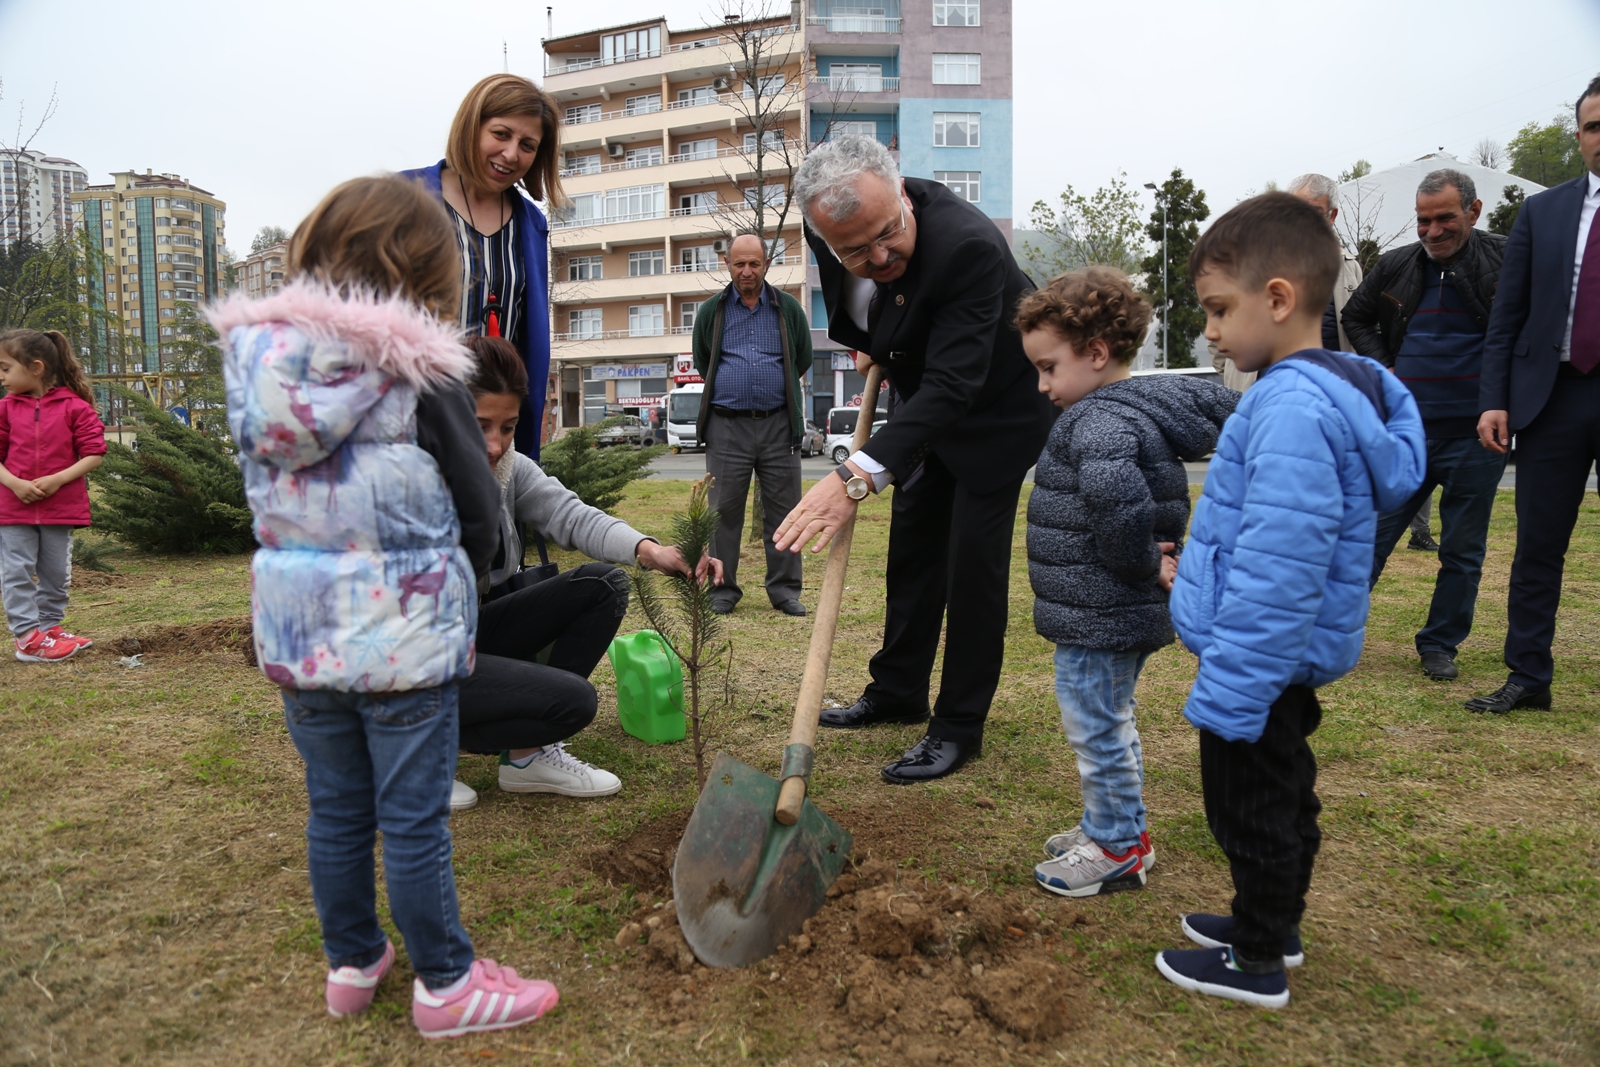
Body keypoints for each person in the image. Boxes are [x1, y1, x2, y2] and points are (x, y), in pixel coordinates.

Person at [212, 175, 558, 1036]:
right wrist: (461, 586)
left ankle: (353, 961)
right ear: (425, 272)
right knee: (411, 817)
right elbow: (481, 508)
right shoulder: (421, 369)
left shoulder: (260, 370)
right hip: (403, 636)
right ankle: (446, 983)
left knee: (335, 809)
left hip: (300, 636)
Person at [1154, 193, 1424, 1008]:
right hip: (1277, 659)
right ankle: (1268, 921)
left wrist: (1234, 683)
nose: (1209, 332)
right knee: (1281, 793)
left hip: (1260, 664)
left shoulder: (1293, 411)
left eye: (1217, 309)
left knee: (1253, 807)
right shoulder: (1312, 390)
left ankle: (1258, 959)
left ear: (1277, 299)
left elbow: (1281, 566)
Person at [776, 135, 1056, 784]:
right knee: (912, 556)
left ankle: (958, 726)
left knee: (970, 571)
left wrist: (851, 476)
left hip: (992, 409)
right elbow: (860, 307)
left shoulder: (968, 246)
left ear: (902, 193)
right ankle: (898, 691)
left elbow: (956, 387)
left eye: (887, 234)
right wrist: (871, 345)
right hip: (920, 403)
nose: (877, 255)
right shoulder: (833, 226)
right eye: (855, 249)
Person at [1018, 268, 1235, 899]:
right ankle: (1110, 826)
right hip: (1108, 608)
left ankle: (1117, 847)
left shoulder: (1099, 422)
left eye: (1049, 367)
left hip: (1103, 611)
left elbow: (1119, 507)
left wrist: (1145, 560)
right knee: (1107, 719)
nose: (1042, 384)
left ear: (1095, 353)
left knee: (1098, 725)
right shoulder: (1127, 410)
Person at [456, 335, 720, 810]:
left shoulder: (507, 467)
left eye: (509, 428)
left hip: (467, 631)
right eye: (480, 427)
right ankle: (408, 755)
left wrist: (650, 549)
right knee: (573, 702)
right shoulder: (412, 478)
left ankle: (526, 756)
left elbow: (571, 515)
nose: (495, 446)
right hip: (410, 657)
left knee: (602, 583)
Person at [1342, 169, 1508, 682]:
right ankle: (1328, 631)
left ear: (1474, 212)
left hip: (1475, 438)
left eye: (1445, 219)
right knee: (1366, 538)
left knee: (1462, 551)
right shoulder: (1395, 266)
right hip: (1404, 436)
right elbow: (1355, 317)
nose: (1432, 231)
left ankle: (1440, 644)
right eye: (1423, 220)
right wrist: (1385, 367)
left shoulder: (1506, 260)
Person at [1468, 75, 1600, 714]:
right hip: (1555, 398)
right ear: (1578, 137)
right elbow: (1508, 315)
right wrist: (1496, 398)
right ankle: (1528, 676)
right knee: (1538, 544)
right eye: (1594, 125)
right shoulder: (1543, 213)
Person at [403, 73, 563, 459]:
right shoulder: (403, 198)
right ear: (471, 127)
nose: (511, 154)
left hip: (494, 433)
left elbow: (529, 335)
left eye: (527, 145)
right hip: (413, 420)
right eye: (501, 134)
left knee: (491, 518)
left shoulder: (531, 223)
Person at [692, 231, 814, 616]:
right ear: (727, 264)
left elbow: (802, 357)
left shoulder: (787, 308)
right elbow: (703, 360)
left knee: (784, 510)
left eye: (754, 263)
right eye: (739, 263)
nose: (747, 270)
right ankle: (722, 588)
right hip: (726, 427)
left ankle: (784, 591)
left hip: (779, 425)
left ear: (766, 264)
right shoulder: (712, 310)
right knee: (723, 511)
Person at [0, 329, 106, 663]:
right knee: (16, 571)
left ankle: (49, 627)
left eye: (5, 368)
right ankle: (28, 638)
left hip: (61, 508)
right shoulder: (5, 409)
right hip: (13, 510)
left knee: (56, 574)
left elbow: (94, 453)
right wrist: (15, 483)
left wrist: (58, 480)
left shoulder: (75, 407)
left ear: (35, 367)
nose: (1, 376)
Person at [1210, 173, 1364, 392]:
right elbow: (1217, 325)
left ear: (1332, 216)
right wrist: (1237, 377)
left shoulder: (1348, 267)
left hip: (1328, 397)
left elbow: (1360, 328)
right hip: (1262, 398)